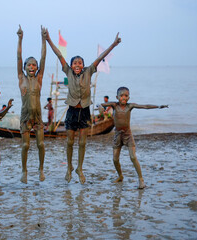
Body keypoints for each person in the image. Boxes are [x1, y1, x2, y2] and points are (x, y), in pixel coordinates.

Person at [46, 30, 121, 184]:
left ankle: (79, 168)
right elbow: (59, 55)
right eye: (75, 63)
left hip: (85, 111)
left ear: (84, 65)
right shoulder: (68, 71)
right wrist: (48, 39)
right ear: (71, 66)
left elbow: (100, 57)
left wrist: (113, 44)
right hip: (72, 111)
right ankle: (69, 168)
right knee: (69, 142)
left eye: (80, 62)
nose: (78, 65)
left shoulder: (89, 71)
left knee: (82, 142)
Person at [101, 87, 168, 189]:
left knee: (133, 157)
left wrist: (158, 106)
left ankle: (141, 180)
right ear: (117, 97)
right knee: (115, 159)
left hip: (128, 135)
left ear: (129, 97)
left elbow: (145, 106)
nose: (124, 98)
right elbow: (100, 105)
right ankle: (120, 176)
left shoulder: (130, 106)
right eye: (121, 96)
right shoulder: (114, 105)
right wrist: (102, 109)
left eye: (126, 96)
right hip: (117, 135)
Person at [17, 25, 47, 184]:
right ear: (24, 67)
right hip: (25, 116)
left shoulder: (39, 79)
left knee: (41, 144)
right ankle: (24, 170)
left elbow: (43, 57)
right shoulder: (21, 79)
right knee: (25, 146)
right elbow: (18, 57)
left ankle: (41, 168)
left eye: (34, 65)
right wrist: (20, 39)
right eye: (29, 65)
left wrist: (44, 39)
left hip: (37, 117)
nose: (32, 67)